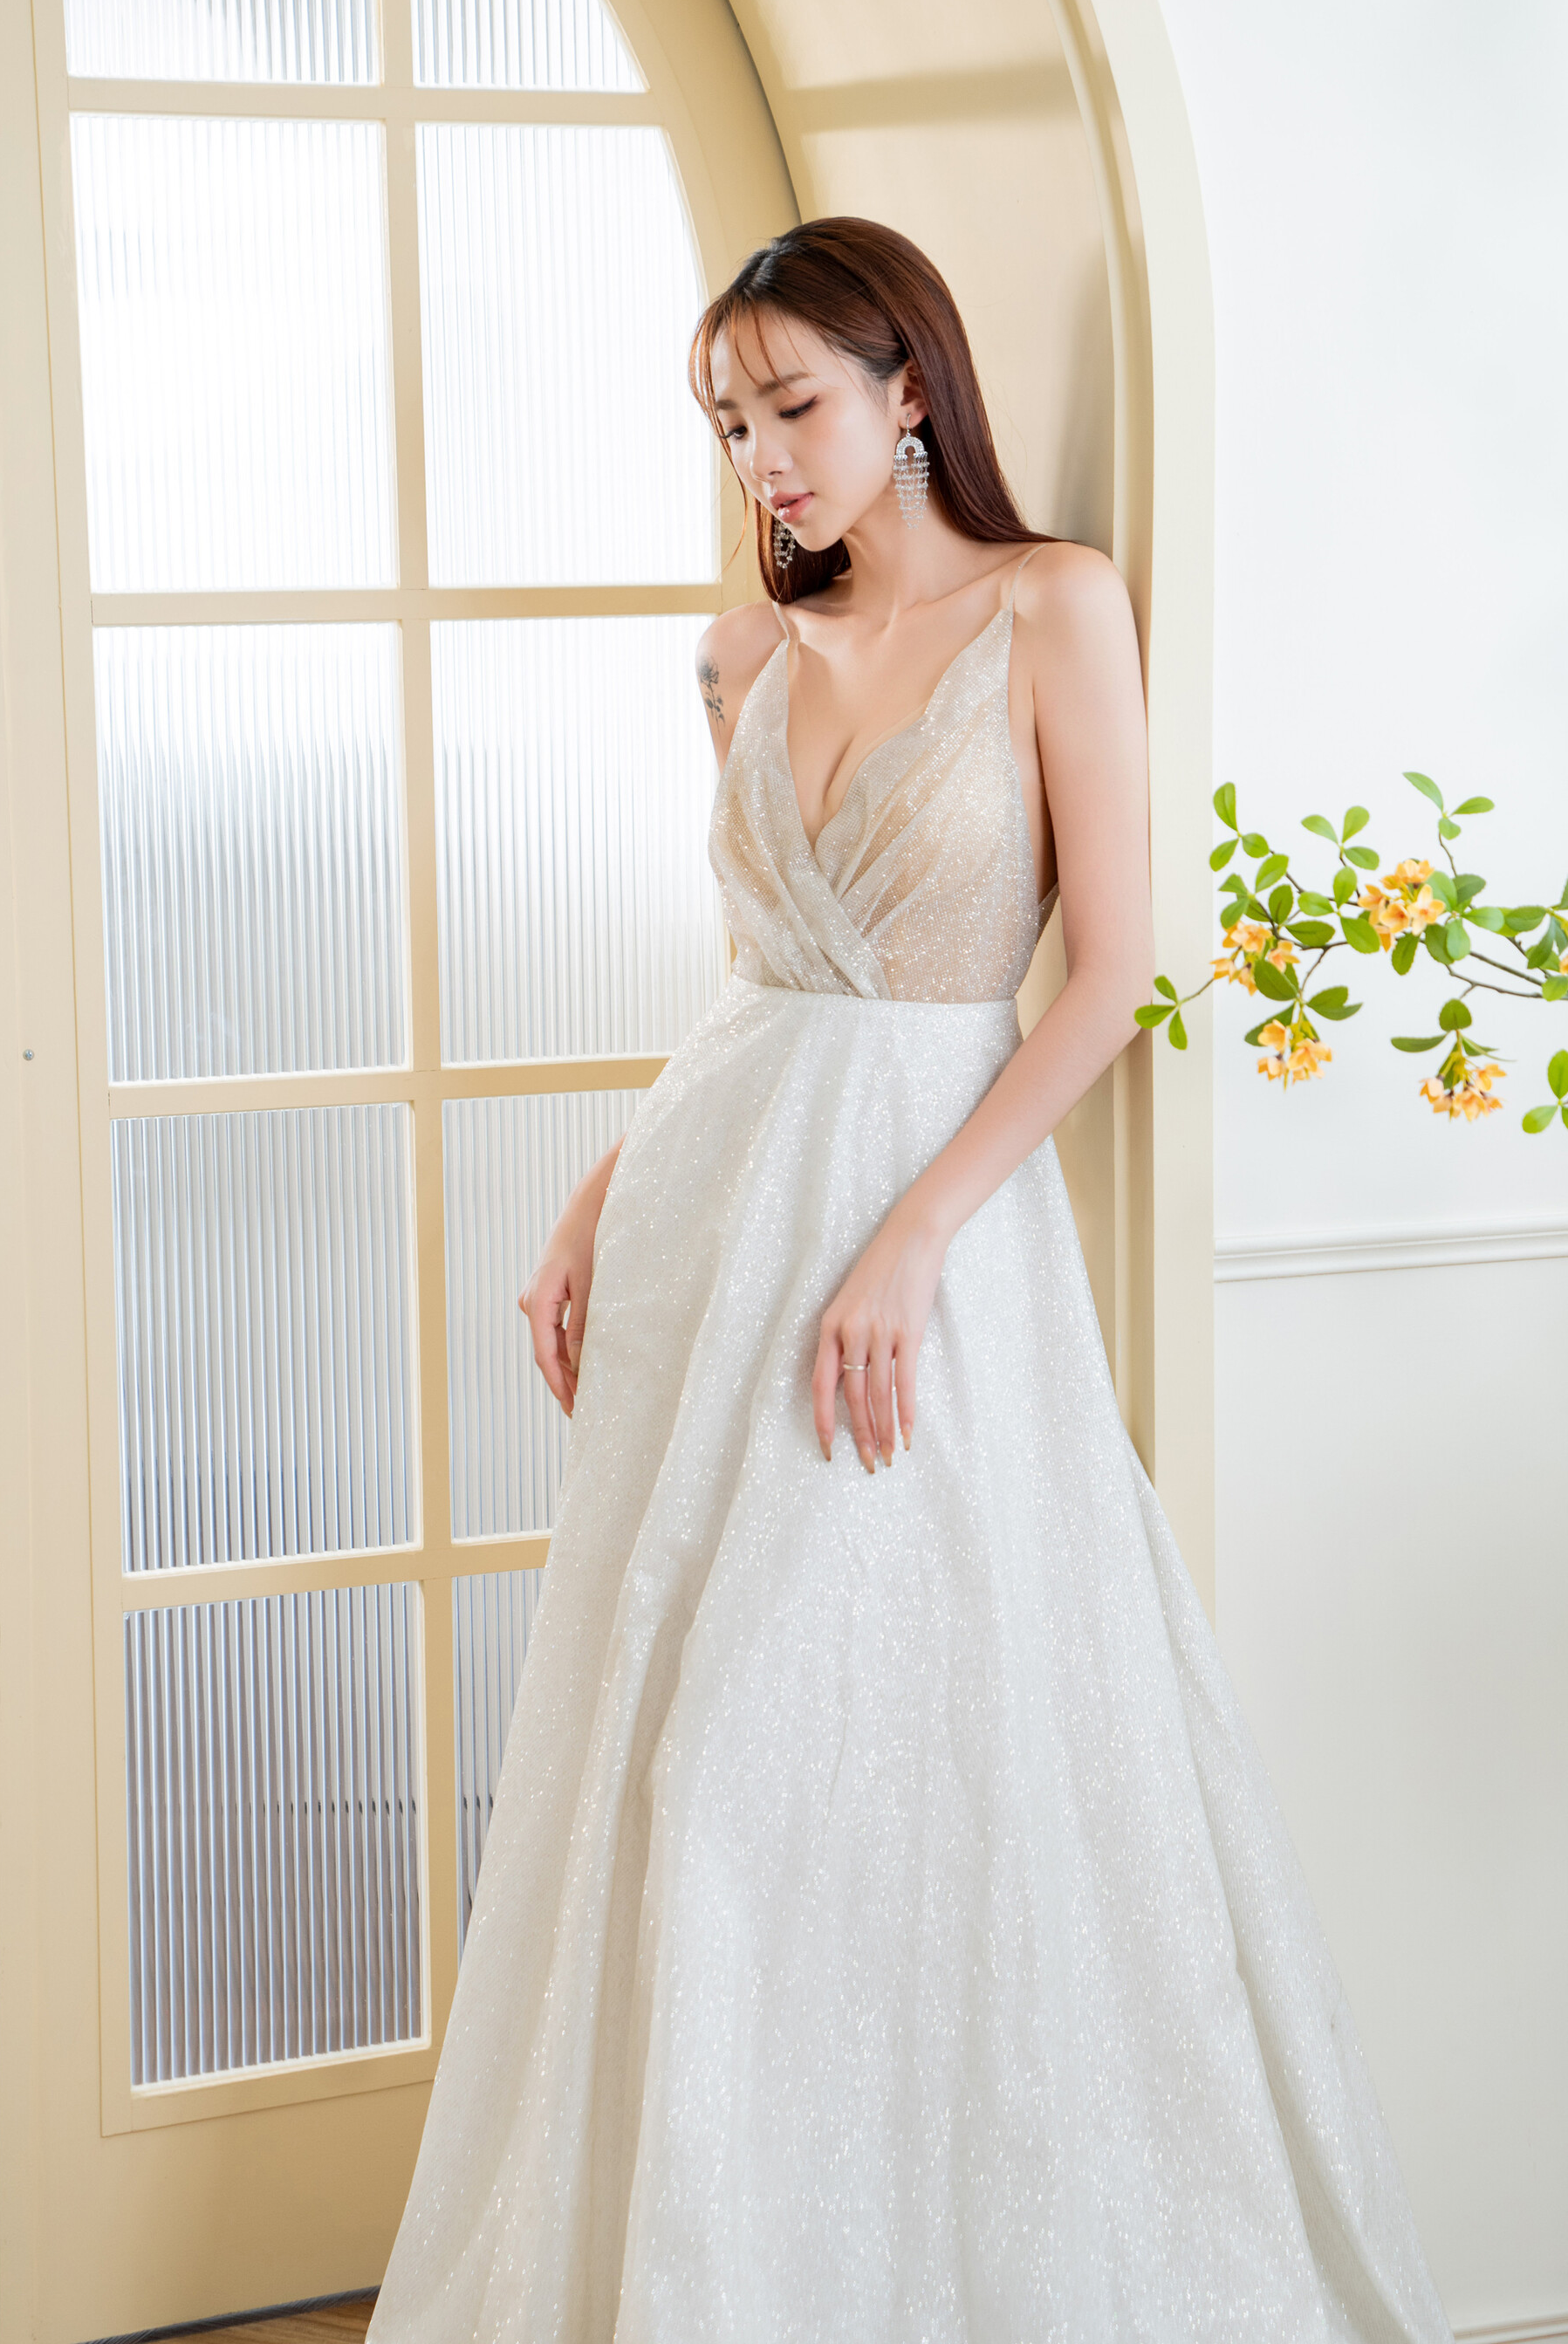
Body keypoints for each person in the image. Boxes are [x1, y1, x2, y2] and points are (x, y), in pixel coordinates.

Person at [369, 216, 1453, 2341]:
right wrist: (602, 1188)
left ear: (909, 389)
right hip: (712, 1229)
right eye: (728, 423)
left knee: (872, 1749)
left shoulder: (1054, 606)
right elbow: (764, 986)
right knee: (680, 1758)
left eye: (793, 405)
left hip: (924, 1256)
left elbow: (1107, 973)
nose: (762, 457)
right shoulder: (741, 658)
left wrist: (918, 1233)